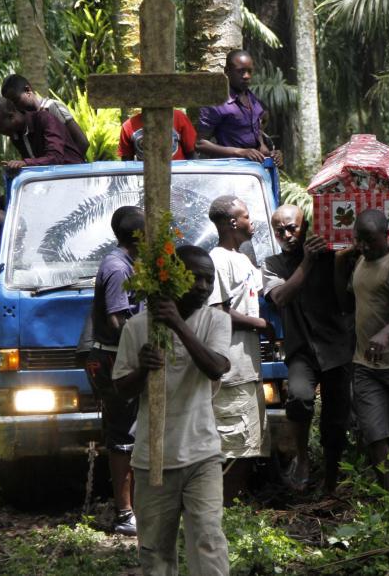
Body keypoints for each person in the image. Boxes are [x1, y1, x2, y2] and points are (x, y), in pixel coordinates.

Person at [112, 245, 231, 575]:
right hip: (152, 460)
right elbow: (121, 388)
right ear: (174, 278)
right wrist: (142, 370)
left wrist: (178, 324)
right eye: (196, 278)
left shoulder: (216, 320)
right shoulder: (138, 327)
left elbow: (216, 367)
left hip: (202, 455)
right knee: (155, 550)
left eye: (210, 280)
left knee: (209, 541)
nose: (204, 287)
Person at [262, 205, 353, 493]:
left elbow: (344, 300)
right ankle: (302, 457)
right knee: (299, 400)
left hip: (336, 347)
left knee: (336, 419)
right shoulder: (272, 264)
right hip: (301, 348)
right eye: (280, 231)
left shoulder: (330, 255)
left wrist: (337, 258)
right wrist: (307, 262)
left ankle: (331, 475)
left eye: (292, 228)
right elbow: (282, 297)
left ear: (306, 226)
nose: (287, 235)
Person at [335, 209, 389, 492]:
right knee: (375, 434)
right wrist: (339, 266)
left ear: (387, 236)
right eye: (359, 240)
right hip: (365, 365)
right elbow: (346, 305)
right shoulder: (361, 260)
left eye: (370, 240)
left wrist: (386, 332)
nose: (363, 246)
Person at [207, 195, 270, 503]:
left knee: (249, 443)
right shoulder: (217, 260)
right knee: (232, 443)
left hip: (249, 367)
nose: (251, 221)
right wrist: (257, 324)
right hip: (231, 368)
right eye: (246, 216)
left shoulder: (243, 258)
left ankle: (238, 506)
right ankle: (226, 510)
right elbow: (217, 312)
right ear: (233, 222)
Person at [85, 206, 144, 536]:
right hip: (112, 359)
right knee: (122, 435)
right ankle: (124, 513)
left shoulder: (131, 264)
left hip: (123, 357)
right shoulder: (118, 267)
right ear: (139, 236)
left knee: (134, 432)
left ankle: (137, 504)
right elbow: (116, 320)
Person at [196, 50, 279, 165]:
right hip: (231, 171)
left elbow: (257, 130)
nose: (246, 76)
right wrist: (239, 152)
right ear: (227, 72)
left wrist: (268, 151)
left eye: (249, 71)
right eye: (240, 71)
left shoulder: (254, 101)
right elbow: (200, 144)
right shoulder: (216, 103)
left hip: (257, 171)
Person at [1, 74, 90, 158]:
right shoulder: (24, 122)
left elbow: (82, 143)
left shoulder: (52, 107)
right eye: (11, 105)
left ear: (28, 90)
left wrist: (67, 166)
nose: (15, 107)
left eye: (15, 100)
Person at [0, 97, 86, 170]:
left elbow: (55, 158)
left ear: (11, 117)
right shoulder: (16, 137)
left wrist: (25, 163)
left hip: (73, 178)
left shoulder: (45, 119)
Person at [118, 110, 197, 161]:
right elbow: (127, 162)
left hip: (178, 174)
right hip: (144, 177)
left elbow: (191, 153)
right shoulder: (128, 126)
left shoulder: (178, 117)